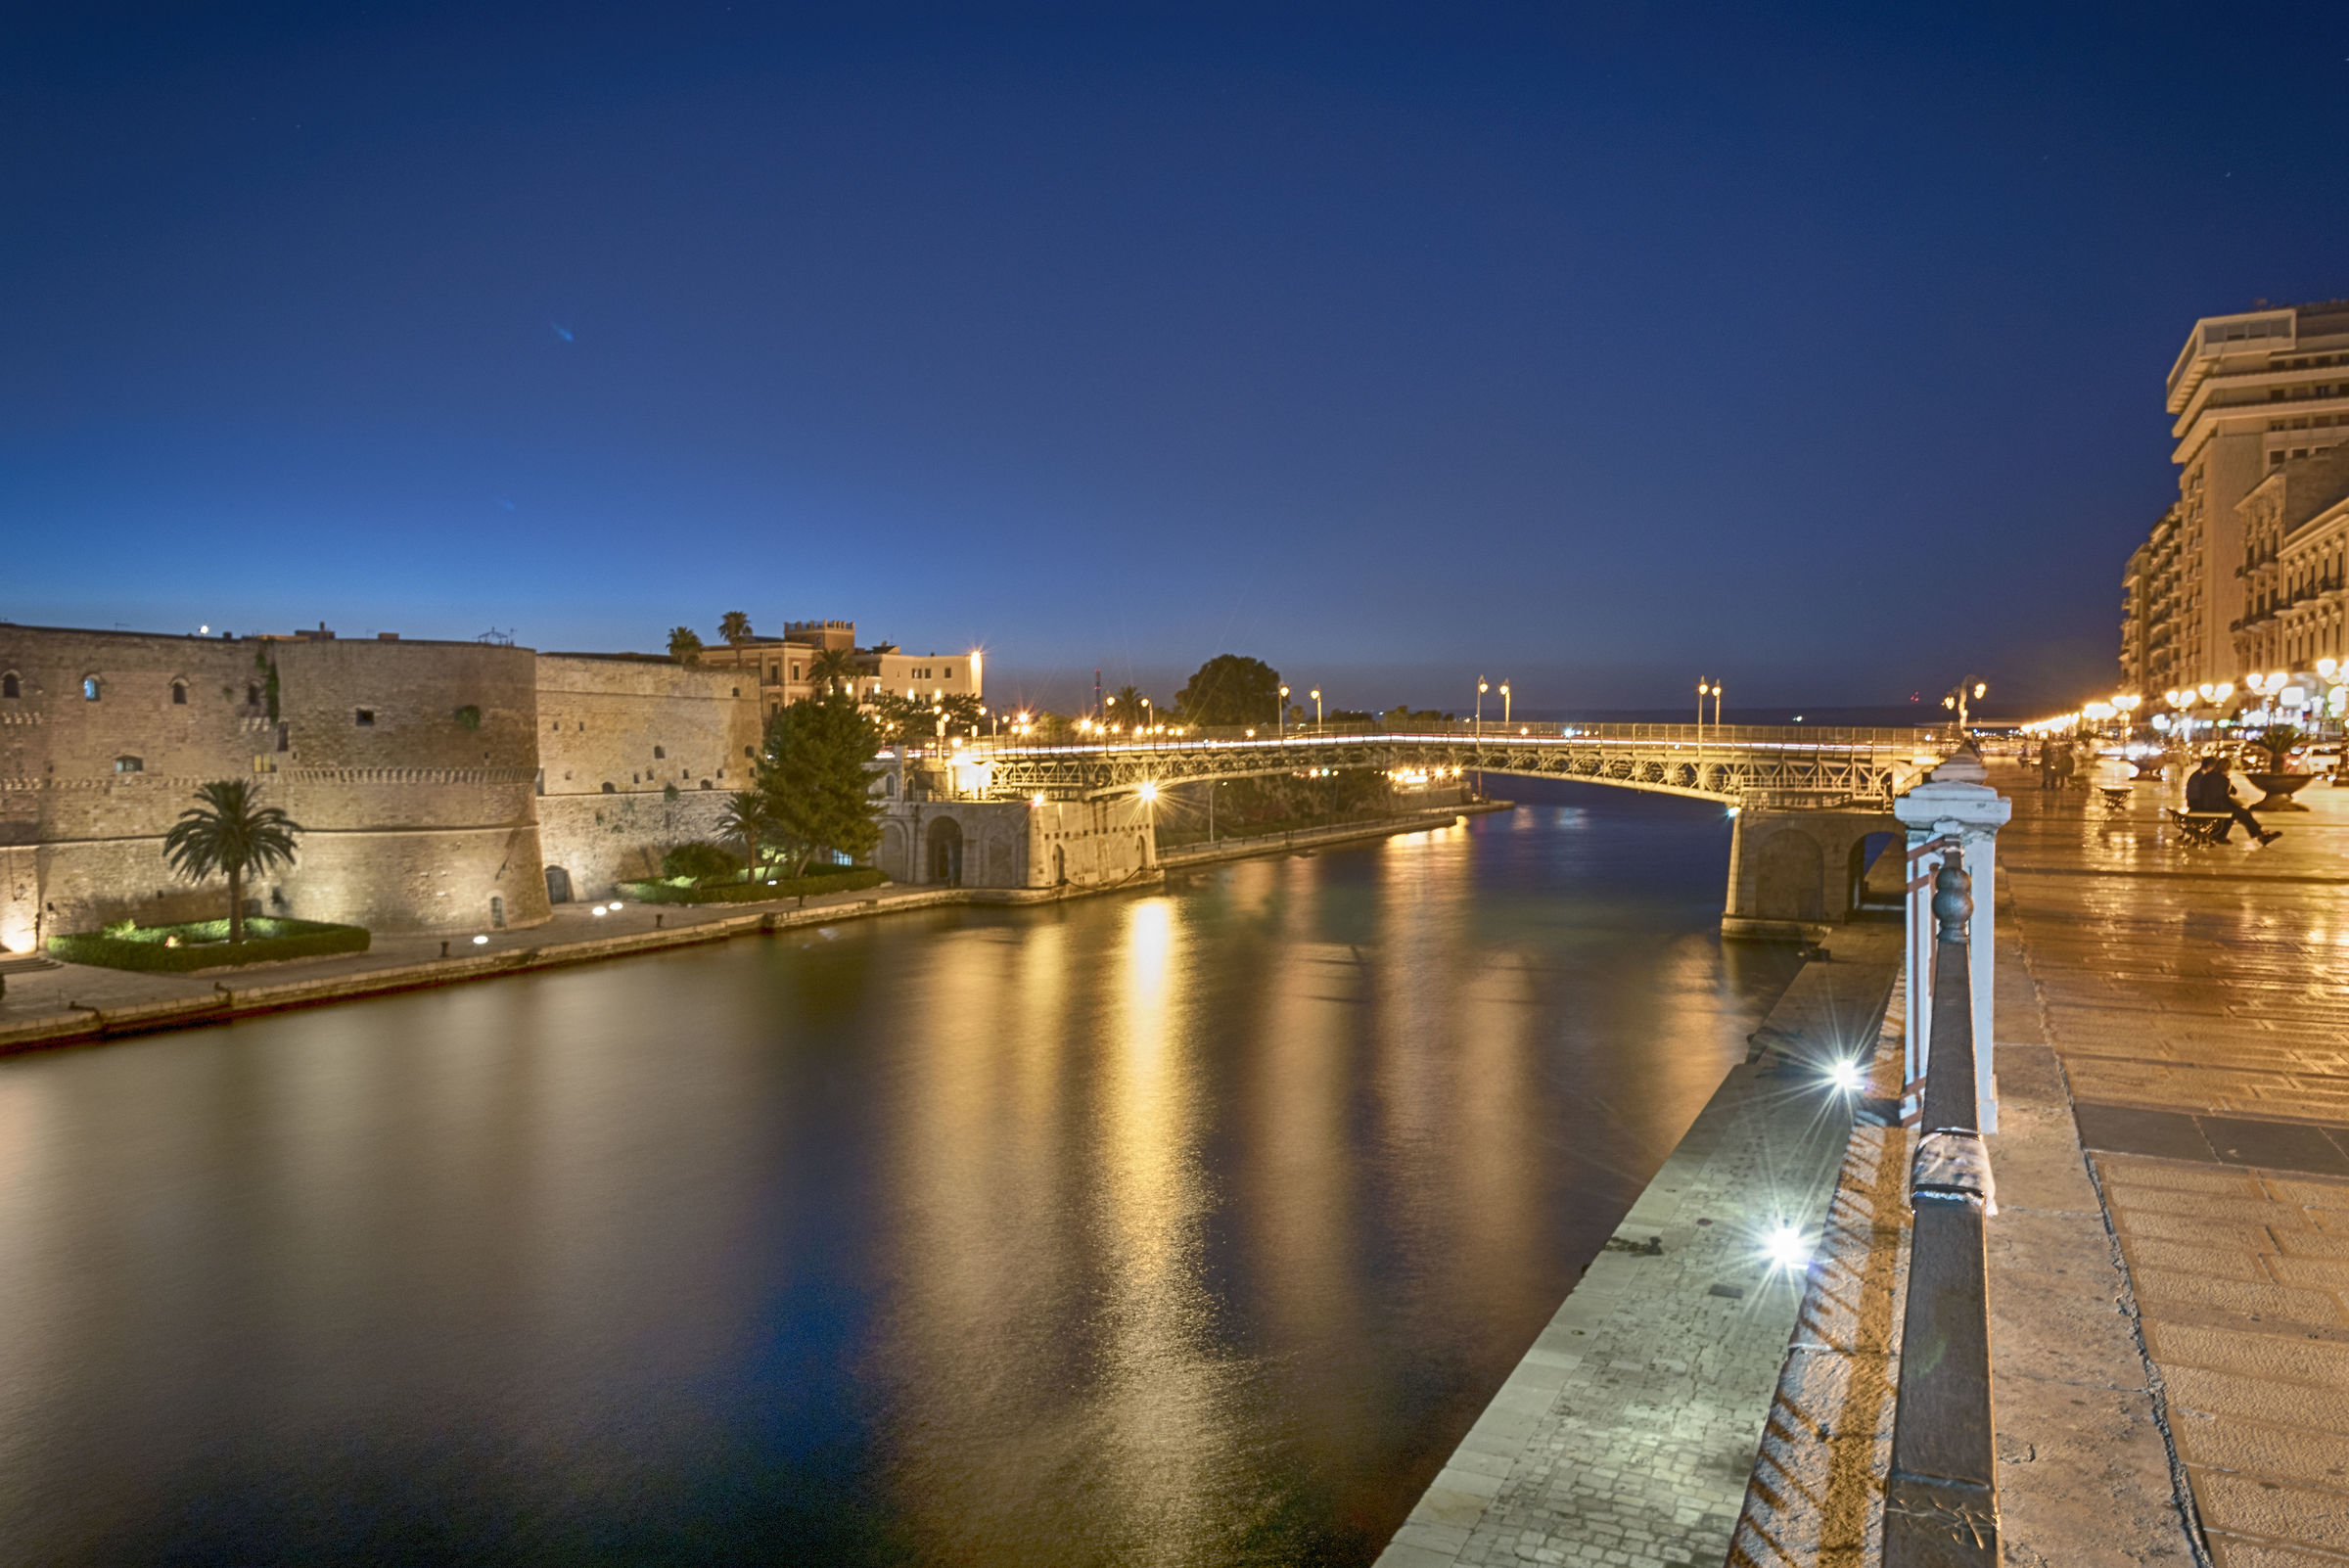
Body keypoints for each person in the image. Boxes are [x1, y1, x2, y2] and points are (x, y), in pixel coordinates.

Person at [2187, 755, 2280, 846]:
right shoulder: (2223, 779)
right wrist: (2236, 804)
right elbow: (2226, 795)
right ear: (2227, 768)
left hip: (2208, 804)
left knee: (2234, 814)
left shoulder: (2208, 776)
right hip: (2215, 806)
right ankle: (2260, 834)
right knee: (2243, 813)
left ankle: (2220, 836)